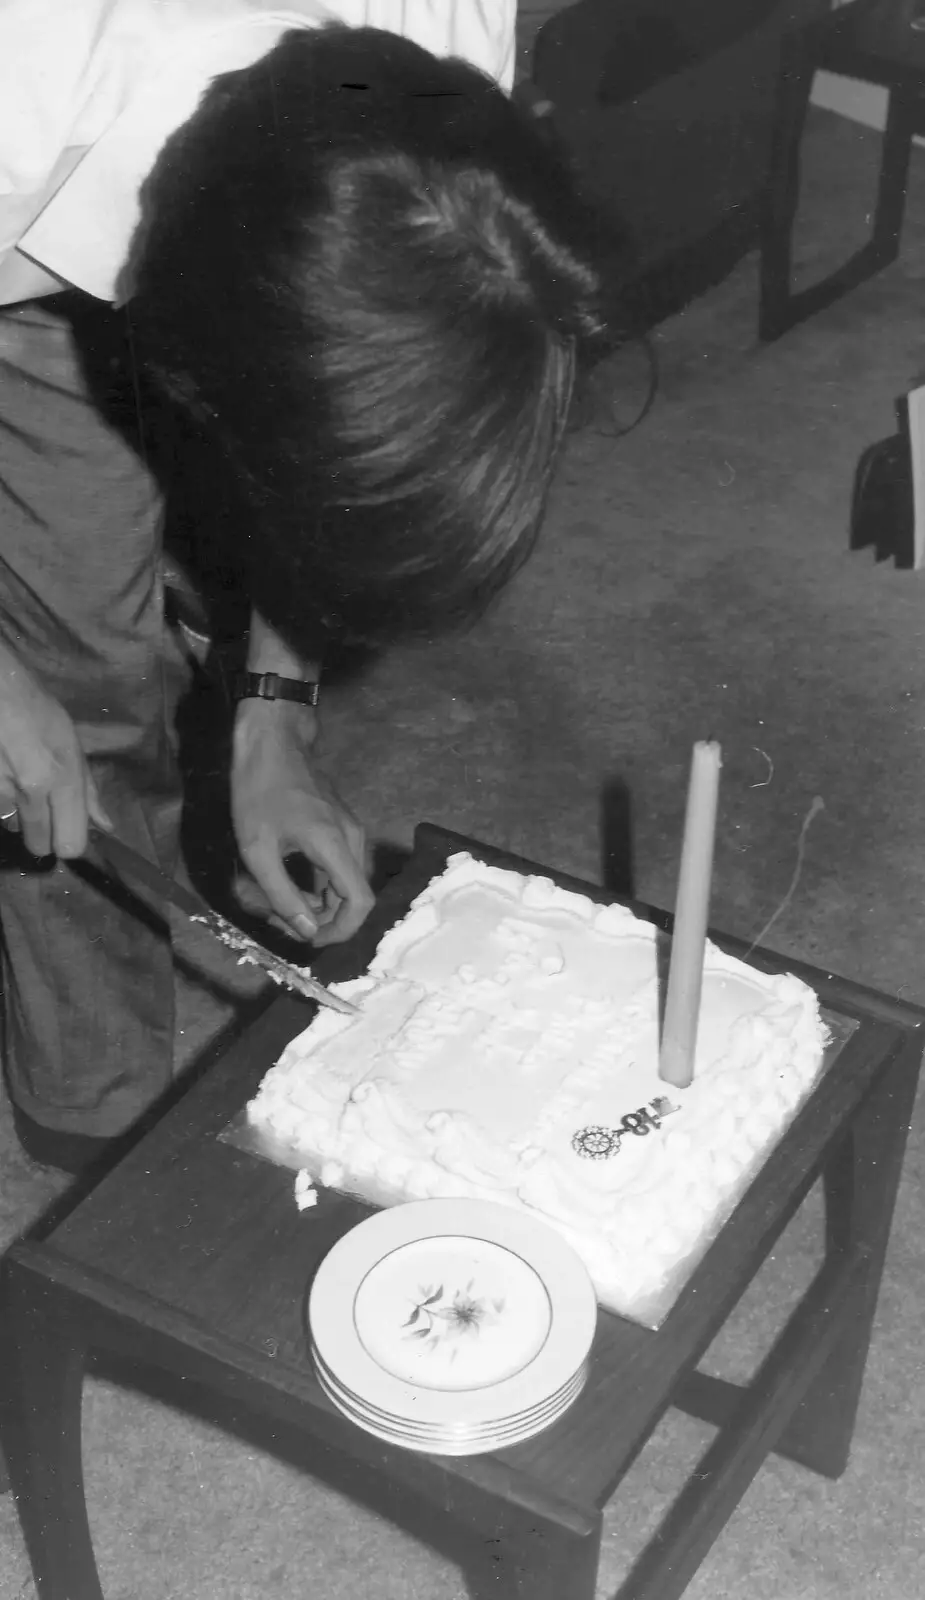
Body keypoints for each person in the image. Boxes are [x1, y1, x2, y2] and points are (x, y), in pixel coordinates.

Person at [0, 0, 606, 1173]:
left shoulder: (441, 68)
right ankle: (92, 1083)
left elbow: (319, 478)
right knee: (71, 683)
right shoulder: (25, 85)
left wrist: (273, 716)